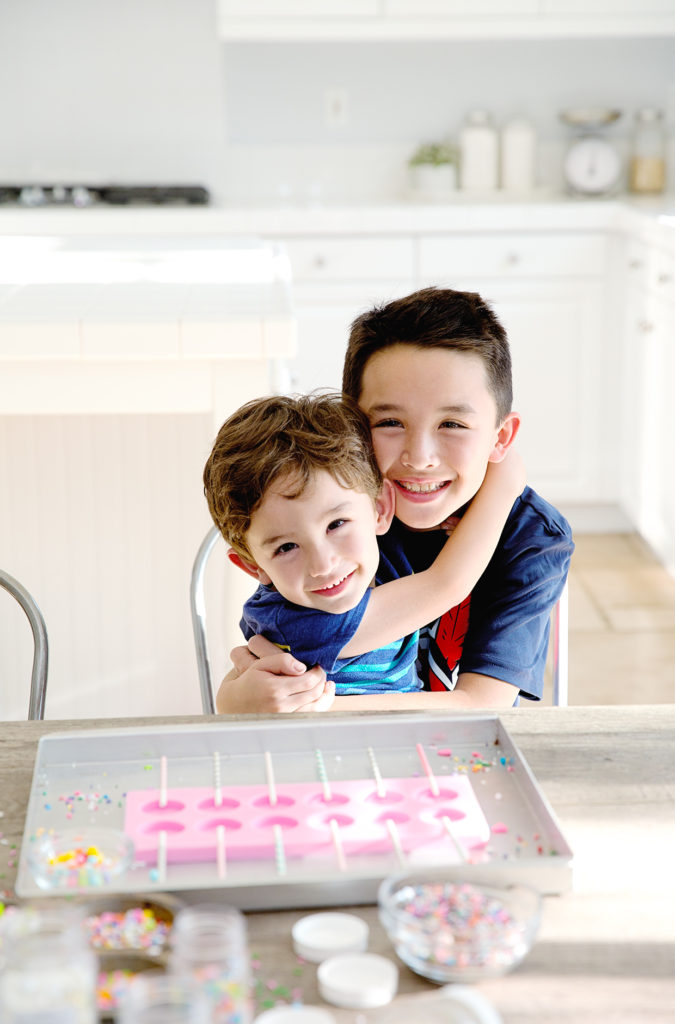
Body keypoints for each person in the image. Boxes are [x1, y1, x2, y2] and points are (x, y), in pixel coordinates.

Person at [217, 286, 574, 713]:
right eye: (389, 422)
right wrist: (234, 697)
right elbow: (268, 661)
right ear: (350, 425)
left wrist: (301, 710)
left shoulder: (531, 537)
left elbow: (484, 707)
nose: (419, 458)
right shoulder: (329, 519)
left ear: (501, 437)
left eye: (452, 424)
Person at [203, 392, 524, 701]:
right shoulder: (299, 623)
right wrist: (504, 484)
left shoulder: (371, 565)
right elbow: (446, 584)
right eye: (286, 547)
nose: (323, 564)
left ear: (380, 509)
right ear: (253, 566)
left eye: (336, 524)